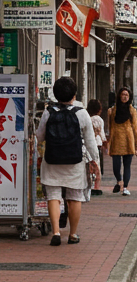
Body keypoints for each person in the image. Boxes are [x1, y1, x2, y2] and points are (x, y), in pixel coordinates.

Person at [36, 77, 99, 246]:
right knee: (75, 198)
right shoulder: (82, 113)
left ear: (56, 95)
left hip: (52, 160)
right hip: (75, 162)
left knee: (53, 197)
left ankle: (56, 232)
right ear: (74, 95)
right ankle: (72, 234)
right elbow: (90, 142)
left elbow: (39, 136)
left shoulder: (48, 112)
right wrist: (95, 161)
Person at [107, 85, 137, 197]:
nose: (125, 97)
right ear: (119, 96)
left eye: (127, 95)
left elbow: (135, 128)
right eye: (123, 94)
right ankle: (119, 181)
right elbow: (110, 127)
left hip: (128, 140)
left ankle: (125, 187)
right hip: (116, 140)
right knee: (116, 166)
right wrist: (109, 142)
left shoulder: (132, 110)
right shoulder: (112, 110)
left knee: (127, 165)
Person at [86, 99, 106, 196]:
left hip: (89, 143)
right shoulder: (99, 119)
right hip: (97, 143)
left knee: (90, 166)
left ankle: (89, 186)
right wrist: (104, 142)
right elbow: (101, 133)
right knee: (97, 166)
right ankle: (96, 187)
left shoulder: (88, 119)